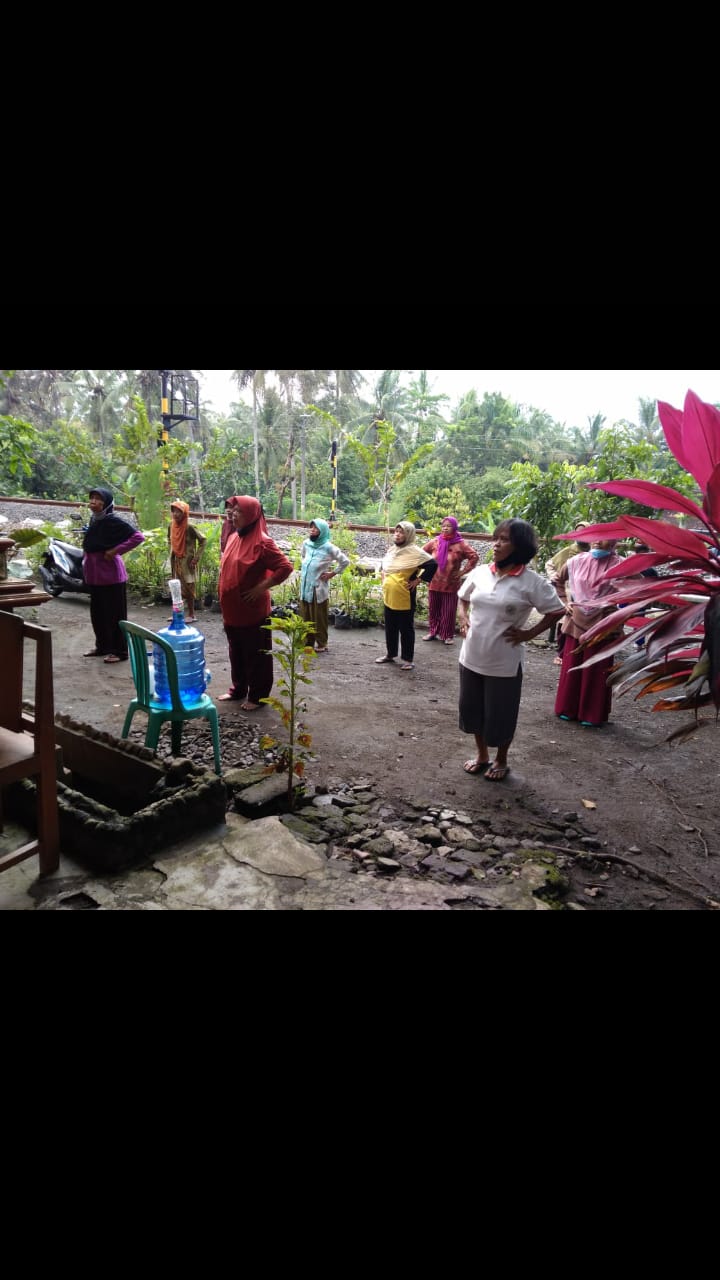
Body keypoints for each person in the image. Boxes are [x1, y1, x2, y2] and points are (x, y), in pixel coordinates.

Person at [456, 518, 564, 781]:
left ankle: (501, 759)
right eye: (496, 538)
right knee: (473, 709)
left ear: (519, 546)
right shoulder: (481, 572)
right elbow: (463, 596)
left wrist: (528, 634)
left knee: (501, 713)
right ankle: (482, 754)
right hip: (471, 656)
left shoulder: (532, 582)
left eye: (504, 539)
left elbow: (556, 611)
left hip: (504, 662)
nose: (496, 544)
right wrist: (463, 617)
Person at [217, 496, 294, 710]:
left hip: (252, 611)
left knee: (256, 654)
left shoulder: (263, 541)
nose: (232, 514)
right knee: (237, 652)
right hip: (232, 611)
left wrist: (261, 587)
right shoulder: (234, 536)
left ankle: (258, 696)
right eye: (232, 510)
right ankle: (238, 689)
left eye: (238, 511)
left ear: (251, 515)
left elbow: (285, 567)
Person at [553, 539, 626, 727]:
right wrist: (565, 601)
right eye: (595, 536)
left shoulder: (621, 565)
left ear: (614, 543)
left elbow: (641, 589)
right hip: (575, 621)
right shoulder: (576, 560)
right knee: (572, 665)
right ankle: (566, 708)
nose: (597, 541)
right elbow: (557, 580)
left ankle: (591, 714)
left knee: (596, 670)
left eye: (604, 538)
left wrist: (619, 612)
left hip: (603, 623)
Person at [82, 487, 145, 664]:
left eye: (98, 498)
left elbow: (138, 537)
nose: (93, 501)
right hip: (95, 576)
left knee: (115, 615)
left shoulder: (113, 521)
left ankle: (120, 651)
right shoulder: (94, 520)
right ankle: (102, 646)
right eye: (92, 497)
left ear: (107, 503)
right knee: (98, 614)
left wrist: (115, 551)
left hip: (111, 577)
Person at [375, 521, 437, 671]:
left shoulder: (415, 552)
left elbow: (433, 564)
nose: (397, 534)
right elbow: (386, 565)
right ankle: (390, 654)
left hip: (404, 596)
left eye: (401, 532)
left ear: (408, 535)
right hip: (389, 595)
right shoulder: (392, 550)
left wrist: (418, 580)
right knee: (390, 627)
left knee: (406, 629)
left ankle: (408, 659)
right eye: (396, 531)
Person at [422, 517, 479, 645]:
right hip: (434, 581)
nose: (445, 528)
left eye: (448, 526)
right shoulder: (435, 542)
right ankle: (433, 632)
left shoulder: (461, 544)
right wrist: (426, 570)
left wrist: (463, 572)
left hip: (450, 583)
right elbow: (421, 553)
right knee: (433, 608)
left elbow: (474, 557)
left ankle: (447, 635)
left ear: (454, 527)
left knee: (448, 610)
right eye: (443, 526)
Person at [298, 518, 350, 653]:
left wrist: (331, 573)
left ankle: (322, 643)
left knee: (318, 617)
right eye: (311, 527)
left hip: (318, 588)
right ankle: (307, 642)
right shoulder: (306, 544)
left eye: (316, 528)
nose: (312, 530)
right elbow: (303, 557)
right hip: (305, 587)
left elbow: (345, 561)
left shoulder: (329, 547)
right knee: (305, 616)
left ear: (323, 531)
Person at [545, 522, 591, 665]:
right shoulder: (569, 551)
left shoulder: (593, 551)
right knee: (565, 622)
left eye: (584, 532)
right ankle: (562, 653)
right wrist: (553, 576)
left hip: (588, 594)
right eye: (578, 532)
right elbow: (550, 564)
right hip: (568, 589)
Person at [168, 500, 207, 622]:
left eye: (179, 511)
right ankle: (177, 614)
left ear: (184, 513)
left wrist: (196, 558)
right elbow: (169, 539)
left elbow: (203, 540)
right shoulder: (171, 525)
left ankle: (191, 615)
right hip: (176, 561)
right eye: (174, 511)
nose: (175, 514)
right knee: (176, 587)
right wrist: (173, 549)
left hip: (187, 562)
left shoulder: (189, 527)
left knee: (189, 588)